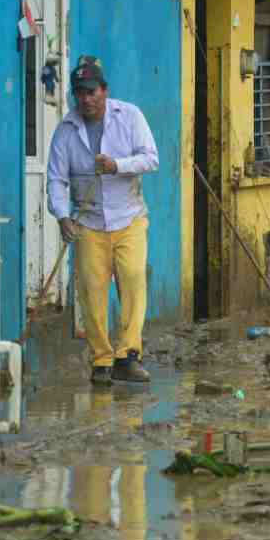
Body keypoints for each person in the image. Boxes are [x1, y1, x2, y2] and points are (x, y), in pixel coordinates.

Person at [47, 55, 159, 386]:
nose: (86, 99)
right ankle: (101, 361)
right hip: (89, 222)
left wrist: (117, 166)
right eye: (79, 92)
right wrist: (62, 216)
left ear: (104, 90)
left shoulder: (130, 116)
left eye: (91, 91)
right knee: (92, 292)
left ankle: (128, 356)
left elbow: (151, 158)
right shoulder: (66, 130)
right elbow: (56, 178)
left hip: (129, 217)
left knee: (133, 282)